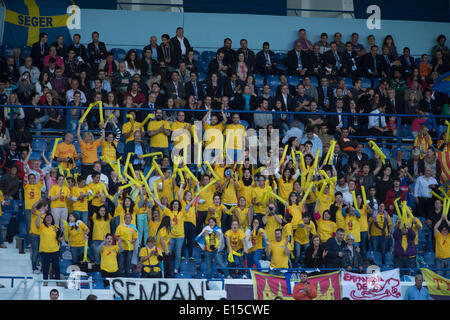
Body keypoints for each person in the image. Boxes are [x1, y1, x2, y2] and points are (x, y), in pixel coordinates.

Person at [35, 203, 64, 286]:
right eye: (47, 217)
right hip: (44, 250)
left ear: (52, 219)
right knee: (45, 267)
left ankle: (58, 281)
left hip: (55, 250)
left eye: (50, 217)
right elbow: (37, 223)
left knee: (56, 267)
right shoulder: (42, 226)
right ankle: (45, 281)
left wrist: (61, 238)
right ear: (45, 219)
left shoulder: (56, 227)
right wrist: (40, 214)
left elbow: (61, 236)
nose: (48, 219)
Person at [115, 213, 138, 277]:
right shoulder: (120, 226)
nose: (127, 219)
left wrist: (132, 241)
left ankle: (127, 280)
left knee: (128, 266)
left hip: (129, 249)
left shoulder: (133, 228)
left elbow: (135, 238)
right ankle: (119, 279)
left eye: (129, 218)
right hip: (121, 248)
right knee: (121, 265)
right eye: (126, 218)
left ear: (131, 219)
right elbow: (116, 236)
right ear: (124, 219)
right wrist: (121, 239)